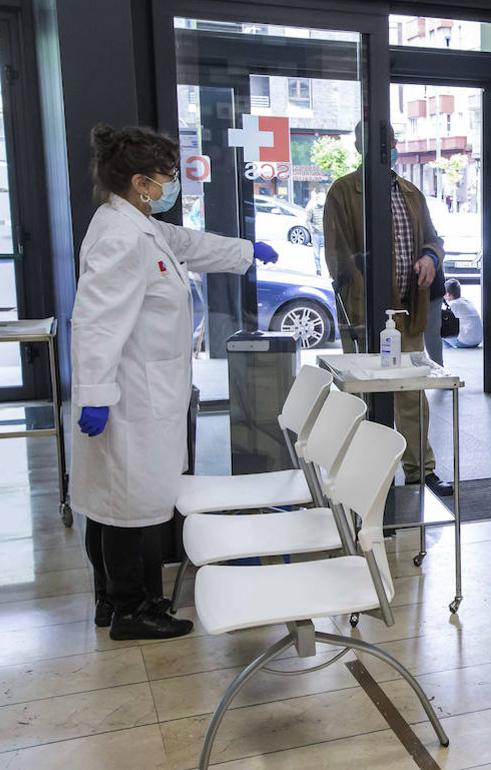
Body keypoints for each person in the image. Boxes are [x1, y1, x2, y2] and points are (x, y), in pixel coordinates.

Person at [72, 124, 278, 640]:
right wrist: (95, 394)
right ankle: (132, 609)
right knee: (127, 506)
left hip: (144, 391)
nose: (173, 184)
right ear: (142, 182)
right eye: (167, 176)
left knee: (117, 500)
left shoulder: (139, 225)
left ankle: (111, 600)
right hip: (129, 396)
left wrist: (246, 251)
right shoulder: (121, 236)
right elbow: (96, 320)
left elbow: (188, 243)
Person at [323, 122, 453, 496]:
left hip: (407, 314)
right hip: (365, 317)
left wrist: (430, 257)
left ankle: (420, 470)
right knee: (364, 397)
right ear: (359, 144)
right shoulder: (344, 192)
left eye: (389, 142)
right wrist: (364, 306)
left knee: (411, 393)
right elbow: (338, 256)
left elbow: (433, 239)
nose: (386, 149)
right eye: (376, 143)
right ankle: (366, 475)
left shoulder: (410, 192)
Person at [442, 278, 482, 349]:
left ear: (448, 294)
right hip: (478, 339)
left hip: (466, 341)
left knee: (441, 334)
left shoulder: (452, 305)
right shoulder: (466, 301)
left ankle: (448, 352)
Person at [305, 189, 325, 274]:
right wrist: (311, 230)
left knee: (328, 254)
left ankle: (329, 271)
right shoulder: (311, 209)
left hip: (326, 234)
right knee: (316, 254)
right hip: (316, 234)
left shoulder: (327, 208)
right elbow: (308, 220)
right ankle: (318, 269)